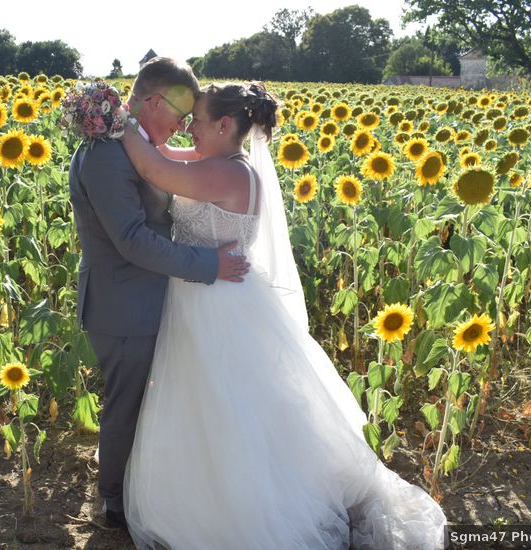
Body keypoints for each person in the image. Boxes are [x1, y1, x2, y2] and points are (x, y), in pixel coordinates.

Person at [118, 82, 448, 549]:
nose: (189, 126)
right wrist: (145, 125)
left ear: (225, 125)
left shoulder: (229, 176)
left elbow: (153, 166)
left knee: (224, 407)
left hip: (216, 305)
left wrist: (112, 117)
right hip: (208, 297)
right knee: (214, 404)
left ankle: (241, 510)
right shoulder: (220, 164)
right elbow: (166, 151)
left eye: (197, 119)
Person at [67, 57, 250, 530]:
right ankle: (114, 505)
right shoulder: (107, 154)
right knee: (125, 407)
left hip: (146, 300)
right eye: (180, 114)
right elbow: (132, 240)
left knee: (149, 404)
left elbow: (165, 180)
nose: (186, 125)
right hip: (124, 306)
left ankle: (141, 490)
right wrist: (209, 264)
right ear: (151, 102)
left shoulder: (134, 146)